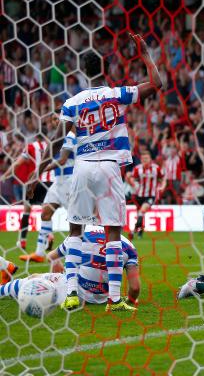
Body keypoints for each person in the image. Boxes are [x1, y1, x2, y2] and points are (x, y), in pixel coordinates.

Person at [30, 33, 162, 312]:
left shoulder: (72, 102)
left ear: (83, 72)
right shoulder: (117, 94)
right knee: (113, 232)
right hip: (110, 167)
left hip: (82, 166)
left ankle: (71, 294)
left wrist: (36, 172)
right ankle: (114, 300)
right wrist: (146, 54)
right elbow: (156, 84)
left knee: (75, 231)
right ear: (105, 70)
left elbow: (56, 140)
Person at [0, 227, 140, 308]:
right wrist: (130, 301)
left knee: (34, 278)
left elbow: (51, 256)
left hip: (72, 292)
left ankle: (2, 290)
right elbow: (135, 288)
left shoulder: (81, 234)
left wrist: (56, 263)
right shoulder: (129, 246)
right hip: (102, 298)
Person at [19, 118, 77, 263]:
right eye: (52, 120)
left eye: (57, 119)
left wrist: (41, 170)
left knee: (77, 222)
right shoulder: (56, 138)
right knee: (45, 213)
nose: (54, 122)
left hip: (69, 181)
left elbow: (63, 160)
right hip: (58, 182)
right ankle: (39, 253)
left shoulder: (69, 136)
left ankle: (83, 252)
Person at [0, 134, 50, 250]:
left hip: (34, 183)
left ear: (36, 137)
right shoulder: (50, 145)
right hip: (49, 182)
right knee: (47, 212)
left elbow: (17, 163)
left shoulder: (31, 147)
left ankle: (22, 241)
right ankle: (48, 237)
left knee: (27, 210)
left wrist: (5, 176)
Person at [128, 152, 165, 239]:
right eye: (143, 159)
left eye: (146, 158)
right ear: (141, 160)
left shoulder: (156, 169)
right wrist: (133, 184)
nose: (145, 160)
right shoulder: (137, 169)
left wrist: (162, 186)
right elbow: (132, 178)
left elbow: (162, 179)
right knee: (140, 215)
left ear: (150, 160)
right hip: (139, 195)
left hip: (151, 196)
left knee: (142, 211)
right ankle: (140, 232)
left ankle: (133, 232)